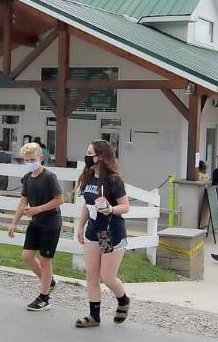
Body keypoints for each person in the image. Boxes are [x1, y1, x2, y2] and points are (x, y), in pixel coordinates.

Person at [75, 140, 131, 328]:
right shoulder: (89, 177)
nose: (87, 156)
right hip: (92, 232)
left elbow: (125, 207)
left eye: (90, 152)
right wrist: (81, 226)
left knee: (107, 277)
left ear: (101, 156)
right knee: (91, 276)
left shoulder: (113, 180)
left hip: (108, 233)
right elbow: (87, 204)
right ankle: (94, 316)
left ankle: (123, 300)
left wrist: (110, 209)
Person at [7, 142, 63, 312]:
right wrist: (14, 222)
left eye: (32, 159)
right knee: (27, 256)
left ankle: (44, 297)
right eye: (26, 160)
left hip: (51, 222)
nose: (30, 162)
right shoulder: (27, 178)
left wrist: (38, 208)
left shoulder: (49, 177)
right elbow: (23, 201)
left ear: (41, 158)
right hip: (35, 222)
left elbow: (59, 199)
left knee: (46, 260)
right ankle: (49, 282)